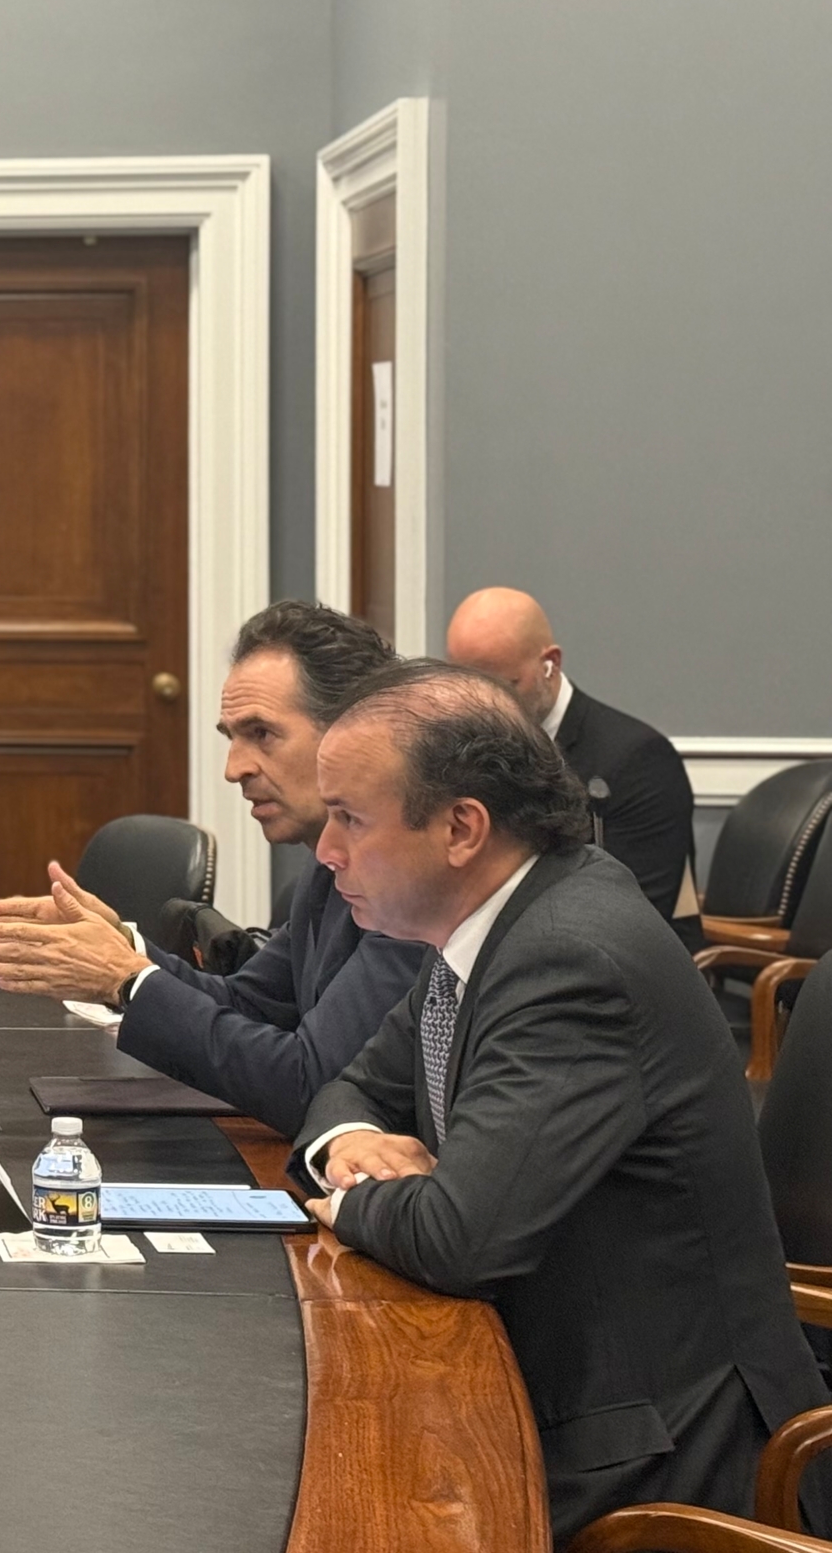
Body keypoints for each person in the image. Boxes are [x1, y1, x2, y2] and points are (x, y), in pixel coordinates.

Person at [297, 660, 821, 1542]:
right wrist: (355, 1140)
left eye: (349, 817)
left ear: (461, 827)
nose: (325, 852)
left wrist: (352, 1200)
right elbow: (350, 1086)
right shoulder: (486, 923)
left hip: (653, 1454)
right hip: (549, 1380)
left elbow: (459, 1239)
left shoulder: (569, 956)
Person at [0, 601, 428, 1135]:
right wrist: (122, 950)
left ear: (352, 730)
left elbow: (312, 1084)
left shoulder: (414, 886)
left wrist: (126, 981)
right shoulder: (325, 866)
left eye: (262, 734)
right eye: (230, 736)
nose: (234, 769)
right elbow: (250, 1004)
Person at [446, 585, 698, 940]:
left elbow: (634, 915)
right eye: (466, 685)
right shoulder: (458, 747)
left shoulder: (637, 759)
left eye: (504, 685)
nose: (483, 705)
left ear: (550, 664)